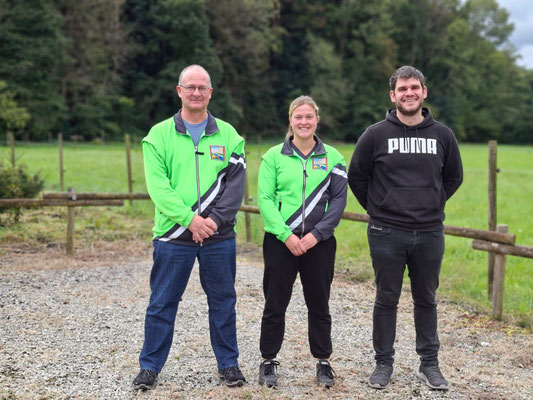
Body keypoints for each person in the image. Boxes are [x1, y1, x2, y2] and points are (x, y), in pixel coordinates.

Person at [348, 66, 463, 391]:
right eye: (402, 89)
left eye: (414, 87)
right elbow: (357, 176)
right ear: (393, 95)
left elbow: (454, 177)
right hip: (387, 232)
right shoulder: (375, 135)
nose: (408, 93)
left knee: (426, 298)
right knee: (386, 298)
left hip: (429, 232)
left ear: (424, 92)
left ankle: (429, 364)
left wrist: (433, 202)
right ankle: (383, 364)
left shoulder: (443, 135)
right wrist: (378, 208)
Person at [133, 65, 247, 390]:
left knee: (223, 302)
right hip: (173, 237)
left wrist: (211, 222)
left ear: (210, 93)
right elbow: (159, 188)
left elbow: (235, 187)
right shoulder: (158, 135)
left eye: (202, 87)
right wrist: (190, 220)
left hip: (218, 236)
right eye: (190, 87)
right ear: (179, 91)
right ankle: (149, 367)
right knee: (161, 304)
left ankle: (229, 365)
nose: (196, 92)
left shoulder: (229, 135)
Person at [257, 95, 347, 388]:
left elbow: (338, 201)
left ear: (317, 120)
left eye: (309, 117)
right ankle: (268, 359)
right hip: (280, 242)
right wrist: (286, 236)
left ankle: (323, 361)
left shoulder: (333, 157)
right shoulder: (273, 156)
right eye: (299, 117)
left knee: (319, 304)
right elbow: (265, 199)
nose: (304, 122)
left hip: (319, 243)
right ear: (290, 120)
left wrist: (315, 236)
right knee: (275, 303)